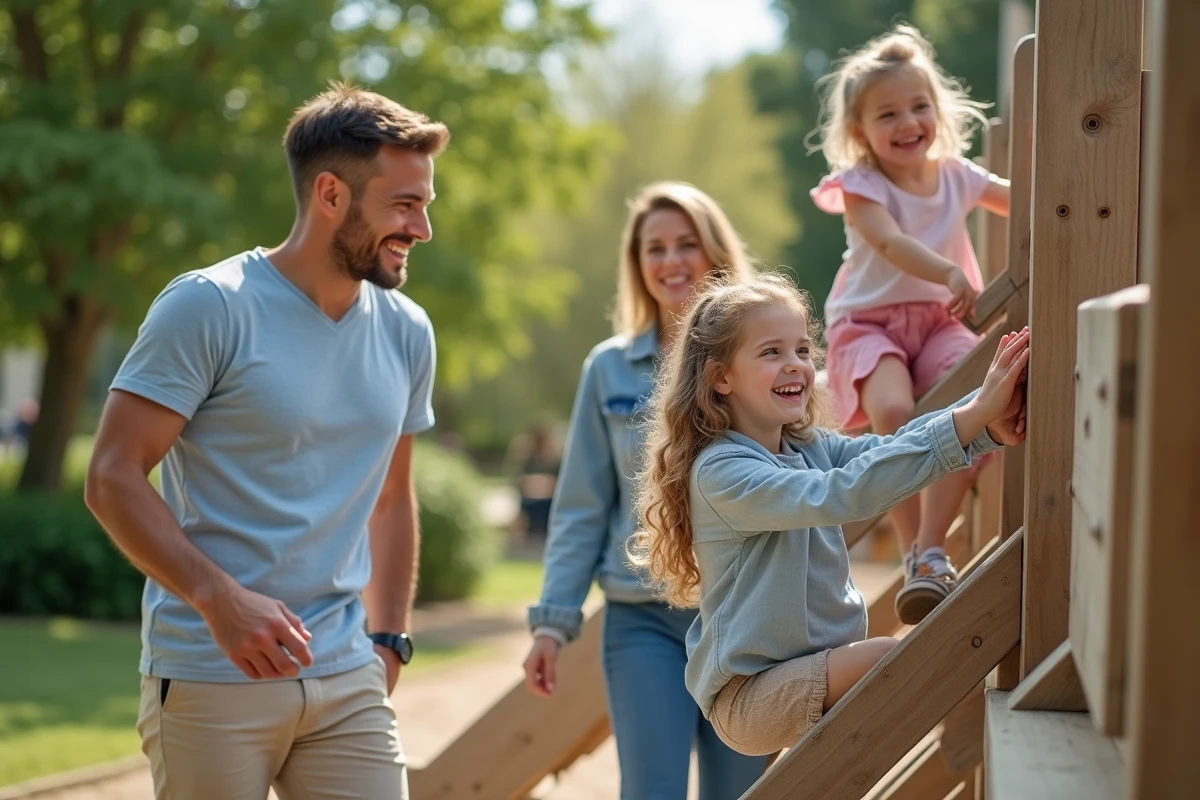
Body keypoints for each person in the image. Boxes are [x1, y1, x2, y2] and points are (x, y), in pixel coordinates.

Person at [84, 83, 448, 800]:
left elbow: (391, 501)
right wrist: (218, 600)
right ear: (331, 195)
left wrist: (390, 637)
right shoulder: (209, 306)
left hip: (347, 676)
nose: (423, 228)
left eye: (425, 204)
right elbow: (112, 476)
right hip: (211, 675)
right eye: (404, 205)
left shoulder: (409, 331)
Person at [628, 275, 1030, 756]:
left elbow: (889, 449)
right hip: (751, 696)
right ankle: (972, 746)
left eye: (801, 349)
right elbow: (844, 493)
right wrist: (976, 414)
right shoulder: (721, 472)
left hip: (815, 665)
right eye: (771, 352)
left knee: (911, 658)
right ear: (721, 377)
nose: (795, 365)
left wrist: (984, 422)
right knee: (901, 657)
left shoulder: (806, 446)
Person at [522, 181, 769, 798]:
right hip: (642, 619)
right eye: (653, 248)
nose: (670, 261)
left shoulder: (761, 358)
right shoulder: (606, 369)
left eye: (687, 243)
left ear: (714, 251)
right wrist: (552, 623)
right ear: (638, 266)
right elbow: (581, 506)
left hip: (743, 616)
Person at [808, 24, 1012, 623]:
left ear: (938, 111)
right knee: (894, 411)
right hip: (869, 323)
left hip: (939, 322)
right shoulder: (861, 185)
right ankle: (913, 541)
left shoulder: (956, 174)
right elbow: (891, 244)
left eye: (919, 106)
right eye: (887, 113)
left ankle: (929, 550)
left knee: (977, 402)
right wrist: (951, 270)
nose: (907, 123)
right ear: (859, 132)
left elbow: (1021, 195)